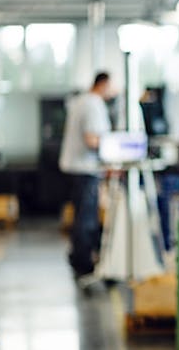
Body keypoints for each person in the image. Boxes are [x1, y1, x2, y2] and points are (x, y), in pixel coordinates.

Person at [59, 72, 113, 283]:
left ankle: (77, 256)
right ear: (103, 84)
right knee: (86, 218)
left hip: (77, 167)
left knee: (82, 214)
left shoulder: (82, 101)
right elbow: (92, 139)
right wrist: (116, 148)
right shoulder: (92, 104)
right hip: (85, 168)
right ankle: (83, 262)